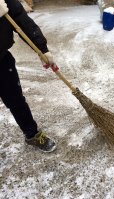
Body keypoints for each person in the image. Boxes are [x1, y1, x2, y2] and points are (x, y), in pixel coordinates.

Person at [0, 0, 56, 152]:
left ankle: (32, 134)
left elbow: (21, 20)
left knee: (16, 100)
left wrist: (42, 49)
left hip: (2, 60)